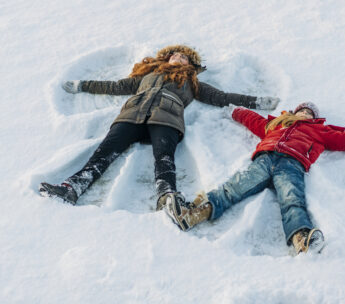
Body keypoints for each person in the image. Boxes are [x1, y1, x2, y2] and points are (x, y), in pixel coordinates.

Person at [39, 44, 279, 211]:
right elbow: (113, 86)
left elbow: (222, 97)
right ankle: (73, 188)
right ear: (167, 58)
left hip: (167, 118)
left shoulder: (192, 82)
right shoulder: (146, 76)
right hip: (132, 114)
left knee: (164, 157)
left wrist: (255, 101)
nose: (178, 57)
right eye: (175, 55)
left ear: (190, 64)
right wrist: (82, 85)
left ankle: (167, 195)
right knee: (105, 151)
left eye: (184, 57)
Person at [166, 102, 345, 254]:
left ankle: (301, 237)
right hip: (265, 159)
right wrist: (236, 112)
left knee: (292, 198)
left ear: (315, 119)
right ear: (295, 112)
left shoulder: (322, 131)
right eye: (303, 110)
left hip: (292, 165)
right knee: (235, 186)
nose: (306, 114)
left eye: (310, 113)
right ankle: (194, 213)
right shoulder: (278, 124)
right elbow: (254, 120)